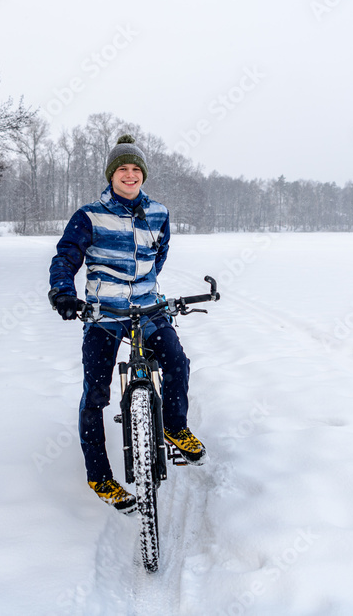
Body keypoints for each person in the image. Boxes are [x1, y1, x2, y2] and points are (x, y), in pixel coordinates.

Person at [48, 134, 205, 512]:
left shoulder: (159, 213)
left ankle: (173, 425)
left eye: (136, 169)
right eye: (123, 169)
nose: (130, 175)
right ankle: (100, 476)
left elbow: (160, 253)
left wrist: (145, 289)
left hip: (149, 309)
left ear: (143, 175)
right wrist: (63, 292)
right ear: (111, 175)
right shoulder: (89, 215)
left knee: (176, 362)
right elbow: (66, 257)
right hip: (105, 314)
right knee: (96, 393)